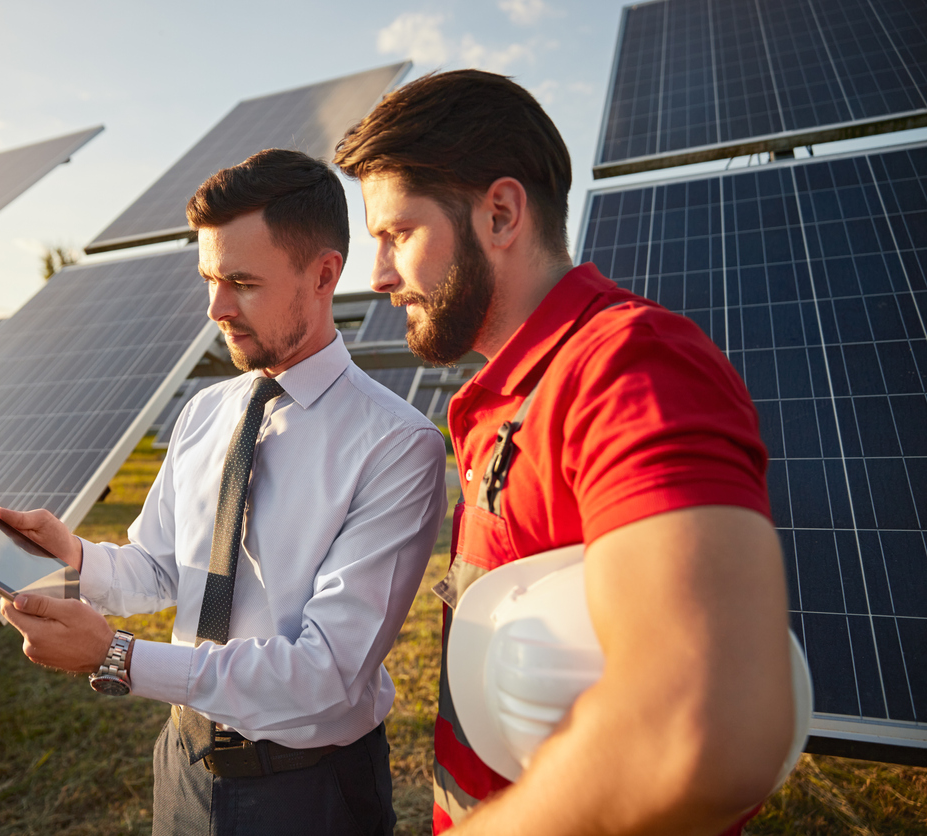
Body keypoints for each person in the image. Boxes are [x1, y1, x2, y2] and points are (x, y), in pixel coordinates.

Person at [333, 70, 795, 836]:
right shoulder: (503, 400)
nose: (377, 275)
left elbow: (708, 734)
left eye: (397, 234)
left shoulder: (630, 368)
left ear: (502, 214)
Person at [0, 148, 448, 835]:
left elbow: (325, 673)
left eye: (241, 281)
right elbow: (161, 569)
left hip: (310, 791)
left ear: (325, 274)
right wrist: (77, 560)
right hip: (182, 760)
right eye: (210, 277)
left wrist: (117, 657)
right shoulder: (208, 411)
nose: (215, 307)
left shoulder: (395, 445)